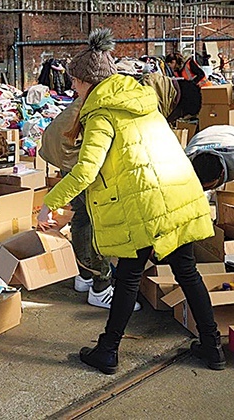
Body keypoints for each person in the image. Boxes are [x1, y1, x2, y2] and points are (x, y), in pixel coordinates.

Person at [38, 28, 224, 374]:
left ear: (88, 82)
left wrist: (50, 202)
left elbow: (84, 172)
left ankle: (108, 351)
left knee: (127, 277)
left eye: (76, 83)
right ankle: (212, 347)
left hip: (143, 204)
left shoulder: (101, 114)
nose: (74, 89)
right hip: (176, 192)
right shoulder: (142, 101)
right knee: (187, 271)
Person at [39, 97, 141, 311]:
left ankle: (84, 275)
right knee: (99, 219)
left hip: (69, 159)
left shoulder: (85, 101)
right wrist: (48, 206)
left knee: (83, 215)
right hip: (82, 165)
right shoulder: (104, 105)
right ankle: (101, 288)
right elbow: (86, 170)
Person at [185, 125, 234, 190]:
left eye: (209, 186)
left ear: (222, 172)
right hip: (203, 136)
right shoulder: (185, 161)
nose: (206, 189)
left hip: (229, 134)